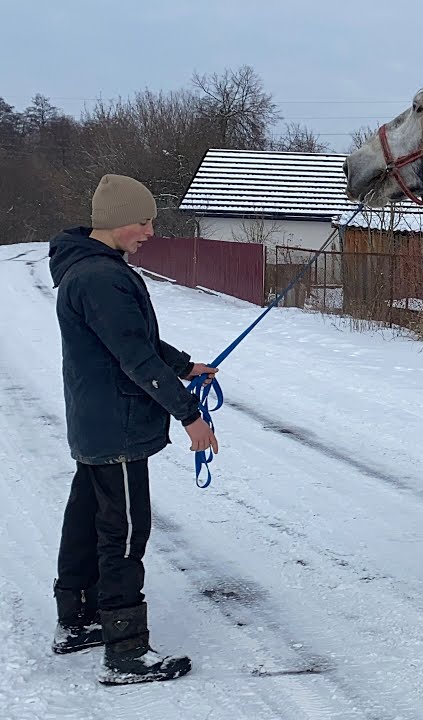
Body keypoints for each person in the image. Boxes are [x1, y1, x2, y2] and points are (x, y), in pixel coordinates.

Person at [47, 174, 219, 685]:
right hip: (116, 427)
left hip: (95, 422)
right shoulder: (101, 277)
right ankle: (125, 651)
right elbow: (134, 357)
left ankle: (76, 621)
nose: (149, 231)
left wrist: (186, 366)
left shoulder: (88, 268)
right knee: (123, 533)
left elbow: (131, 338)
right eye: (143, 221)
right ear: (116, 219)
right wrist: (189, 415)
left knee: (85, 519)